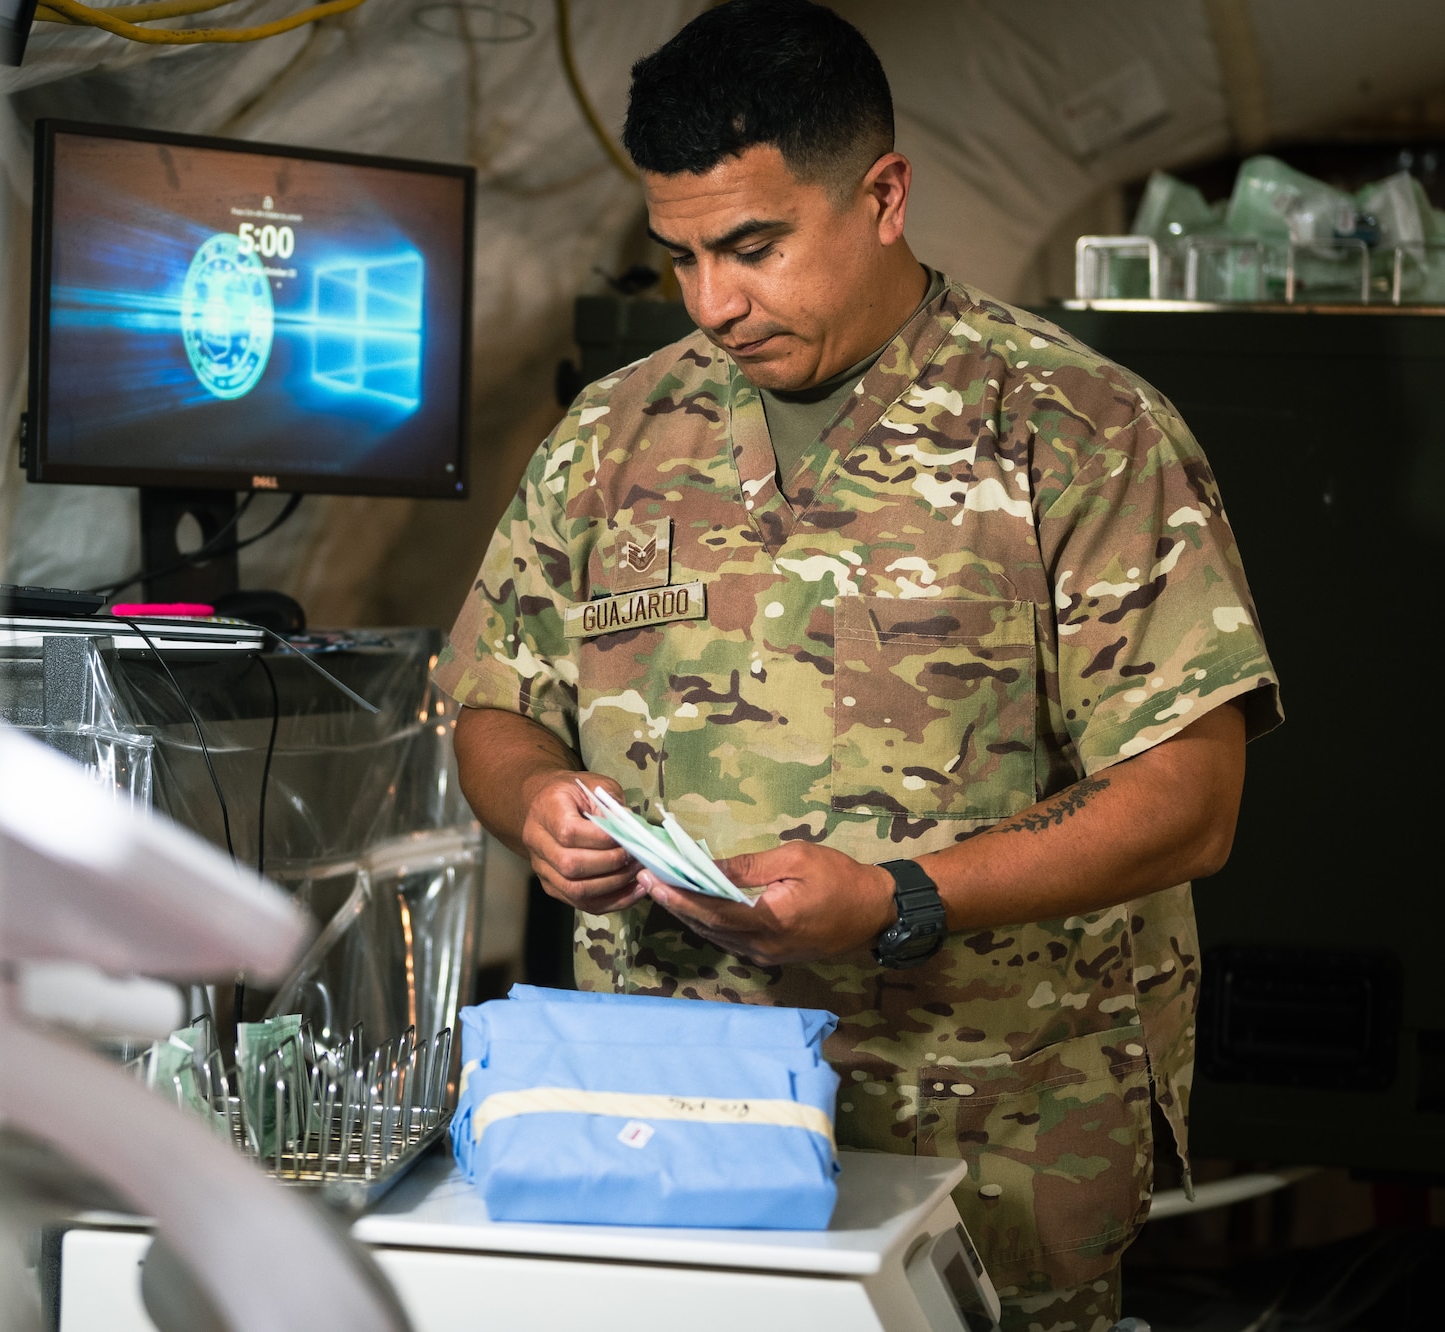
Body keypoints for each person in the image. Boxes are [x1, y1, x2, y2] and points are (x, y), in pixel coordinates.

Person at [432, 3, 1281, 1328]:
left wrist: (898, 899)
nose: (714, 300)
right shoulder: (615, 436)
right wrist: (537, 803)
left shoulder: (1074, 429)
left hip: (991, 1137)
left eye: (753, 246)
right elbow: (494, 700)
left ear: (883, 197)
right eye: (682, 258)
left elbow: (1191, 797)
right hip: (676, 1130)